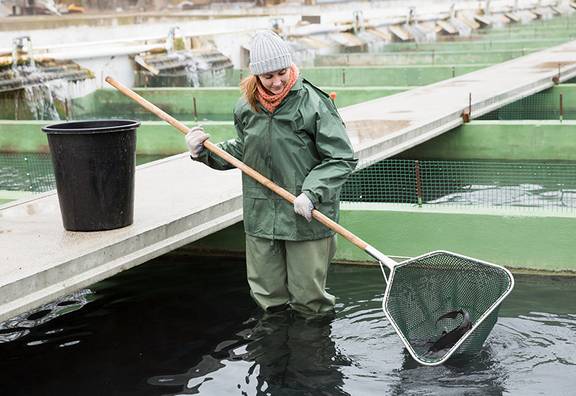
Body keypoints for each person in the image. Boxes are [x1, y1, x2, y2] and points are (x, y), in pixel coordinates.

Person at [185, 30, 357, 317]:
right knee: (267, 296)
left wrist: (311, 193)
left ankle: (311, 358)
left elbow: (341, 158)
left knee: (309, 300)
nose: (277, 82)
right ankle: (275, 356)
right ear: (256, 76)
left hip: (306, 216)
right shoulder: (245, 107)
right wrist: (203, 152)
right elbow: (243, 151)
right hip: (261, 216)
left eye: (282, 72)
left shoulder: (314, 103)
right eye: (268, 76)